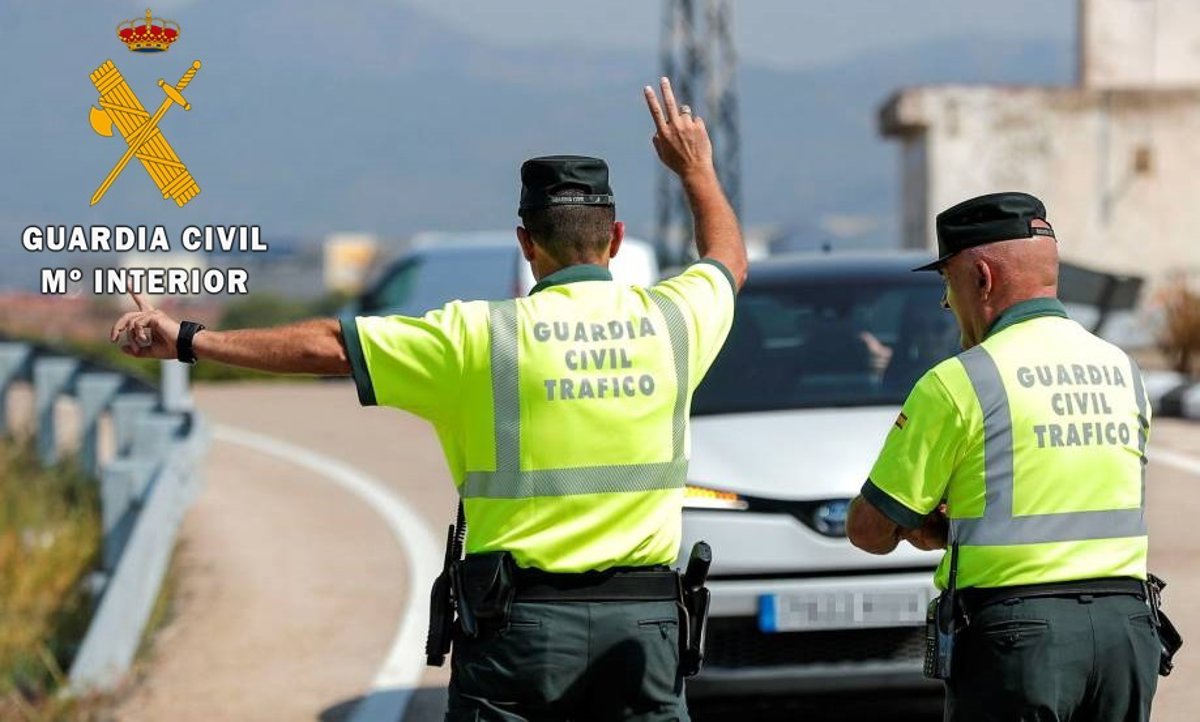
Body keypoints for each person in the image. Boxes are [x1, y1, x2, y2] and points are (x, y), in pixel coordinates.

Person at [110, 77, 747, 722]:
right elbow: (727, 260)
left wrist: (189, 339)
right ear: (616, 239)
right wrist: (695, 168)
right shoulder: (676, 321)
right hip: (643, 628)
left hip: (519, 631)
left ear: (526, 243)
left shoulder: (477, 336)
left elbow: (330, 346)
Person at [845, 192, 1161, 721]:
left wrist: (932, 527)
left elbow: (870, 531)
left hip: (1020, 640)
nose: (947, 303)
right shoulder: (1122, 370)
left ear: (982, 278)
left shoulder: (960, 381)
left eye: (948, 283)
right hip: (1125, 633)